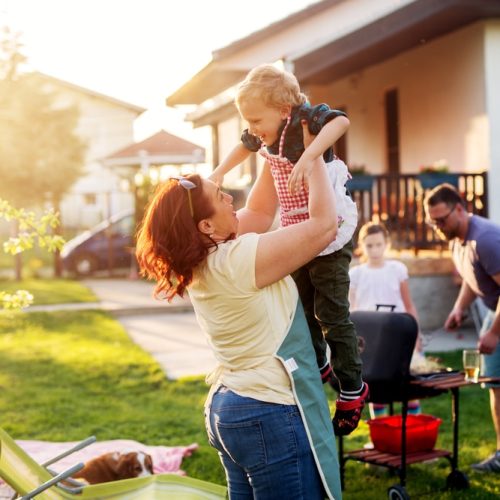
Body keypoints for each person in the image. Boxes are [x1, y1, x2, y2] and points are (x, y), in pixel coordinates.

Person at [135, 123, 342, 499]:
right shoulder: (237, 259)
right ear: (205, 225)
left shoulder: (204, 258)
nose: (231, 196)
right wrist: (314, 156)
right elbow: (325, 226)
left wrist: (275, 145)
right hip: (266, 410)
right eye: (221, 195)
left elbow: (261, 211)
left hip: (230, 407)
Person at [210, 63, 366, 436]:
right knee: (299, 308)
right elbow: (243, 148)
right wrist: (217, 174)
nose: (251, 128)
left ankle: (352, 388)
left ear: (282, 110)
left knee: (331, 312)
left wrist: (312, 154)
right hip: (298, 227)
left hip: (331, 231)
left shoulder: (302, 121)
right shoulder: (265, 136)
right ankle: (319, 364)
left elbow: (341, 122)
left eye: (254, 119)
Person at [424, 183, 500, 473]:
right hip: (496, 312)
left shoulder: (486, 240)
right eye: (433, 222)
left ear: (459, 208)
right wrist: (459, 307)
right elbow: (471, 277)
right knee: (494, 384)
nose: (438, 227)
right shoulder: (456, 238)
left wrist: (494, 333)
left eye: (441, 220)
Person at [349, 221, 423, 418]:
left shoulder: (397, 269)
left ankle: (414, 430)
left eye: (379, 244)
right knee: (376, 386)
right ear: (362, 246)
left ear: (387, 243)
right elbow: (353, 310)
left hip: (398, 334)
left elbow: (408, 305)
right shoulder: (356, 274)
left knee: (409, 385)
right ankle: (381, 433)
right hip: (371, 337)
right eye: (370, 245)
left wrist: (417, 335)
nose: (375, 250)